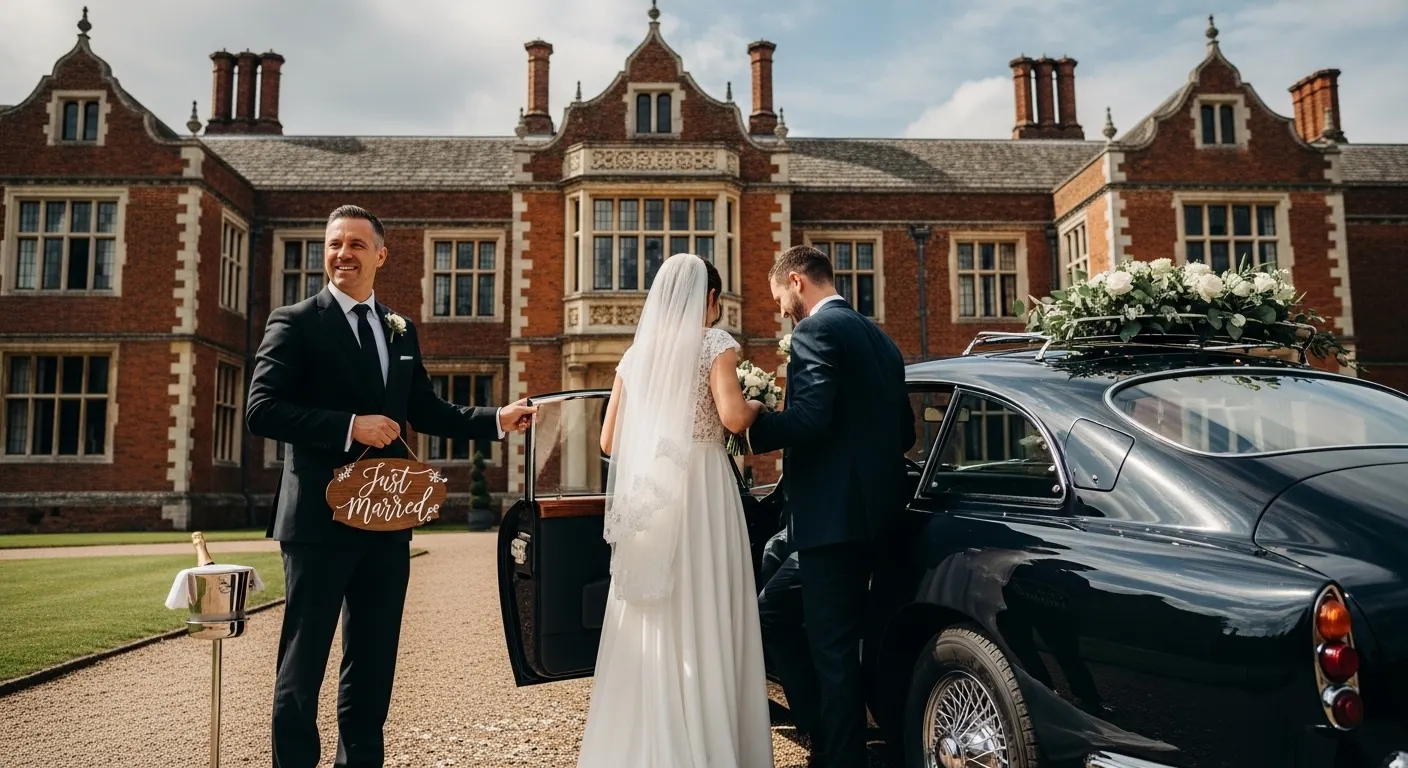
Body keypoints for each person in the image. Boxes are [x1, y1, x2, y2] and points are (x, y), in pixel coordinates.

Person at [246, 205, 536, 768]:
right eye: (334, 244)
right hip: (317, 522)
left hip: (385, 519)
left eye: (356, 244)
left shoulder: (399, 329)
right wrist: (348, 426)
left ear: (380, 255)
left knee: (373, 664)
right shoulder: (295, 321)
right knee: (303, 666)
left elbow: (424, 409)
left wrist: (495, 418)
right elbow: (261, 410)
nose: (342, 254)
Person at [576, 253, 773, 768]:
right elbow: (732, 417)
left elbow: (609, 439)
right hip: (704, 492)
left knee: (654, 616)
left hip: (653, 498)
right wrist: (761, 402)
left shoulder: (636, 354)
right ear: (710, 299)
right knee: (707, 603)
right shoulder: (715, 344)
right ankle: (712, 740)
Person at [748, 245, 915, 767]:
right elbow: (905, 431)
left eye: (779, 296)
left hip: (831, 523)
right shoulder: (880, 339)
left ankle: (838, 756)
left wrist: (752, 421)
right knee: (816, 629)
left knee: (830, 647)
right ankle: (831, 737)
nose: (780, 309)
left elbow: (810, 418)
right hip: (879, 518)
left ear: (796, 281)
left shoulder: (816, 331)